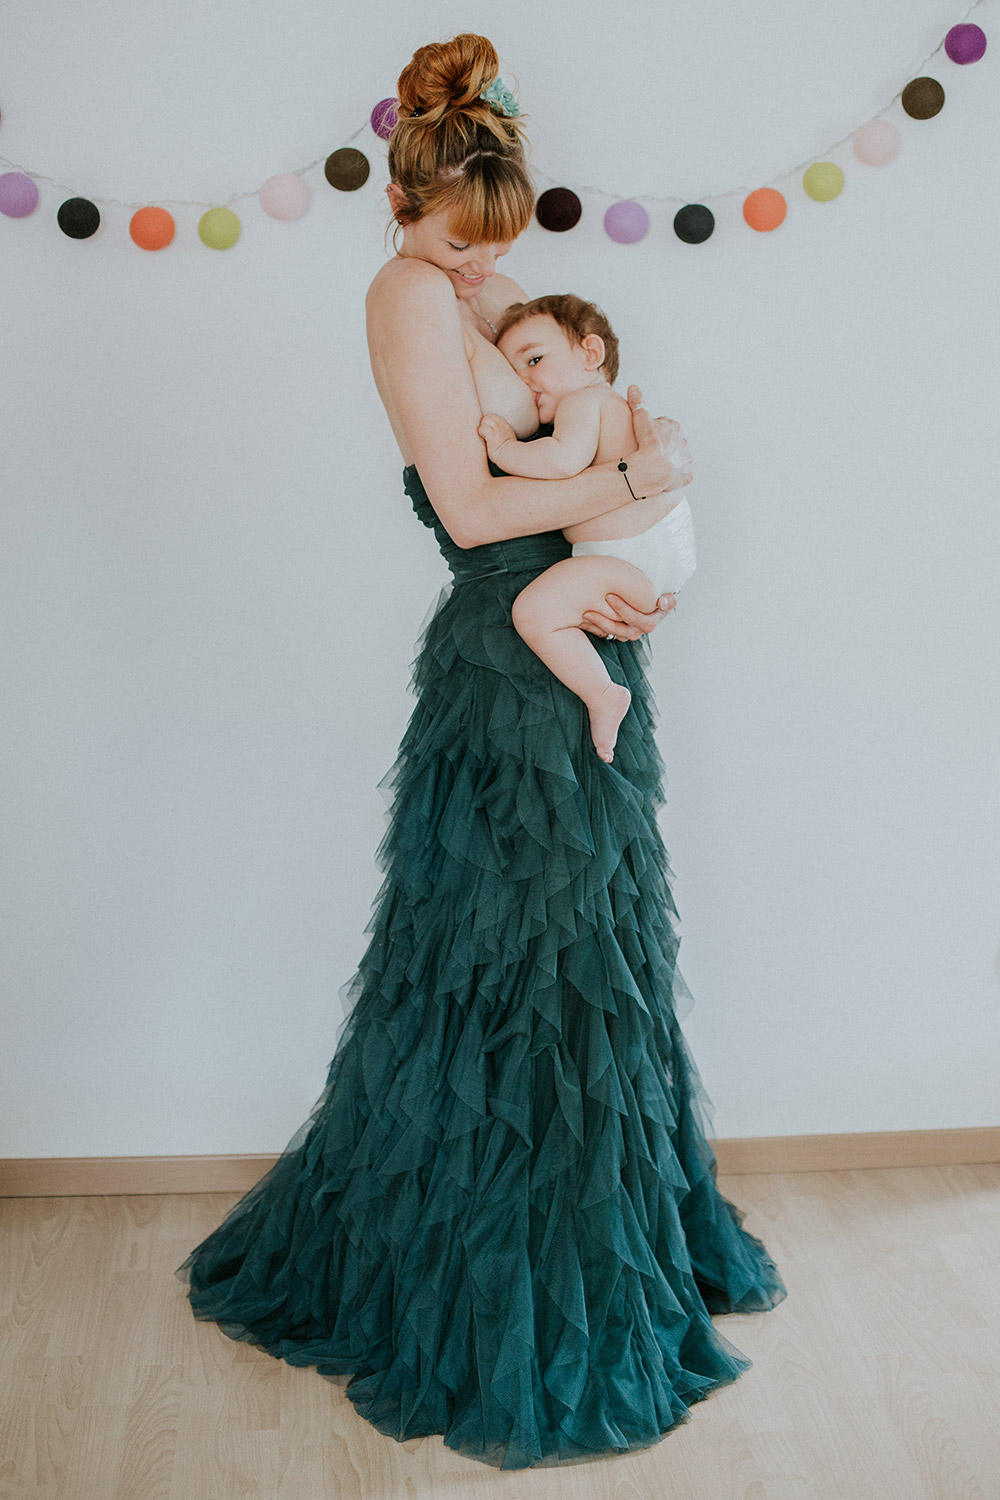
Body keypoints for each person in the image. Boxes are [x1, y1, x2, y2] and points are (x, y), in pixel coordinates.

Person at [177, 33, 786, 1472]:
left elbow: (590, 408)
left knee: (589, 957)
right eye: (461, 239)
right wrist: (636, 475)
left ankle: (603, 1251)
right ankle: (487, 1286)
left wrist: (640, 485)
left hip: (584, 641)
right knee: (506, 963)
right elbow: (469, 509)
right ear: (406, 204)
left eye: (497, 238)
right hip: (507, 668)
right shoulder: (403, 295)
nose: (481, 266)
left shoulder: (486, 288)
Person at [478, 293, 697, 763]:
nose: (524, 380)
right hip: (654, 551)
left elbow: (562, 461)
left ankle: (603, 693)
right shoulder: (609, 407)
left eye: (534, 360)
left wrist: (505, 450)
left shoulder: (584, 401)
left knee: (532, 614)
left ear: (590, 353)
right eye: (514, 373)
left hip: (630, 553)